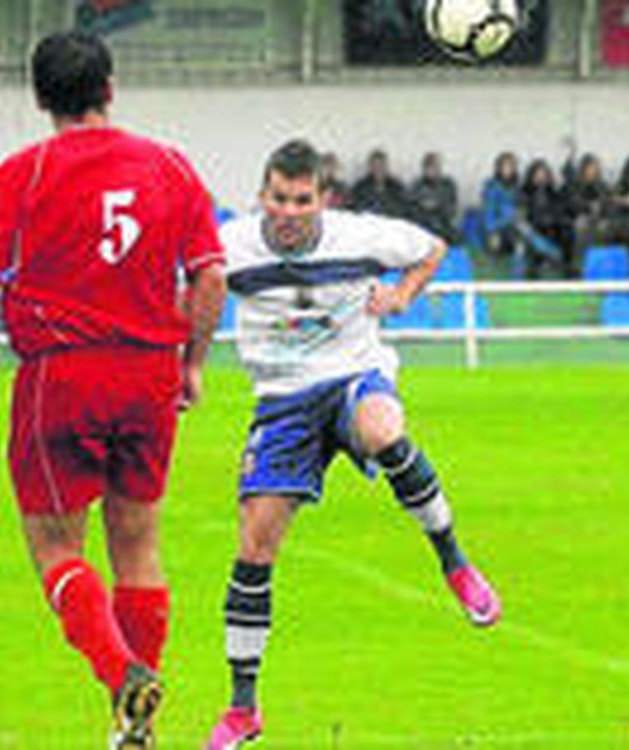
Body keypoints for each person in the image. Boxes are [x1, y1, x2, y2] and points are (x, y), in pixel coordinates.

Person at [0, 31, 226, 750]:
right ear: (111, 88)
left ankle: (121, 673)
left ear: (38, 97)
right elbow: (210, 275)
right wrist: (192, 362)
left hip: (62, 376)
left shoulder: (23, 174)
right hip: (150, 373)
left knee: (57, 548)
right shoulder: (168, 167)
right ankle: (138, 729)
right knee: (139, 542)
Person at [203, 139, 500, 749]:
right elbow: (190, 287)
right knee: (254, 549)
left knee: (383, 429)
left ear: (322, 199)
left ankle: (455, 563)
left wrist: (401, 296)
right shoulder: (230, 247)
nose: (289, 211)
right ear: (262, 196)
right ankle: (243, 710)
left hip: (352, 377)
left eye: (302, 199)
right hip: (282, 402)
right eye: (279, 198)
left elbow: (431, 249)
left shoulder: (360, 235)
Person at [519, 159, 570, 278]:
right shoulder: (524, 193)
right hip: (533, 231)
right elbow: (523, 215)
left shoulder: (554, 193)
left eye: (543, 174)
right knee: (526, 234)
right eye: (538, 174)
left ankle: (561, 265)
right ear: (531, 176)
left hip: (552, 230)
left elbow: (560, 213)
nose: (541, 177)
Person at [566, 154, 612, 275]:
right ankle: (578, 265)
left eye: (596, 167)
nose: (593, 170)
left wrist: (600, 206)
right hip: (580, 218)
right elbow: (572, 204)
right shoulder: (576, 185)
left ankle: (598, 264)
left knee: (604, 227)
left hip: (599, 218)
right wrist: (588, 206)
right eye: (591, 167)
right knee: (581, 224)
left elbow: (608, 203)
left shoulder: (602, 185)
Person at [406, 152, 457, 244]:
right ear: (423, 168)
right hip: (422, 228)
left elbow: (452, 210)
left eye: (435, 166)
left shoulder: (448, 185)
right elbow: (411, 210)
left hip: (443, 226)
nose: (431, 170)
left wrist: (436, 206)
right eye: (428, 167)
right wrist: (423, 208)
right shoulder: (416, 186)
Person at [479, 152, 521, 258]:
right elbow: (488, 218)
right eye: (504, 166)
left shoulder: (517, 187)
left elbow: (520, 209)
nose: (508, 170)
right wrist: (498, 227)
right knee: (495, 246)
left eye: (511, 166)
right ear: (498, 168)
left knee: (523, 242)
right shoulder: (492, 187)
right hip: (496, 228)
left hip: (513, 227)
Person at [348, 149, 408, 219]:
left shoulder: (396, 186)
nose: (378, 169)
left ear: (386, 166)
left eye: (381, 165)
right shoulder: (360, 186)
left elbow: (403, 208)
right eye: (375, 165)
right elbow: (355, 208)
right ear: (370, 167)